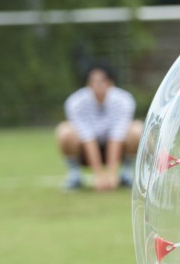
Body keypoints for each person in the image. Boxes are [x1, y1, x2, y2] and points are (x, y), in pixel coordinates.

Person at [56, 63, 143, 191]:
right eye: (94, 81)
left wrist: (111, 174)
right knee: (64, 131)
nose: (98, 84)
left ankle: (125, 173)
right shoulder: (75, 102)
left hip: (117, 148)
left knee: (137, 130)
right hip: (85, 150)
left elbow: (117, 134)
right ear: (87, 83)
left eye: (102, 80)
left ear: (111, 82)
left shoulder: (124, 100)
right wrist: (98, 175)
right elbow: (87, 136)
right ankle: (75, 175)